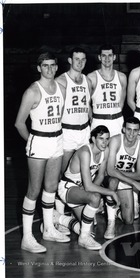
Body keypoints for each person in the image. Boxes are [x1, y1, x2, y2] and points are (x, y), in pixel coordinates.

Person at [15, 52, 70, 253]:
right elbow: (19, 123)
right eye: (45, 65)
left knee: (51, 188)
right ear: (39, 68)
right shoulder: (32, 91)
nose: (49, 69)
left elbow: (59, 117)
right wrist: (32, 141)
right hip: (38, 141)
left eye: (52, 65)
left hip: (57, 139)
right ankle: (27, 238)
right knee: (34, 190)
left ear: (57, 67)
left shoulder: (62, 89)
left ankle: (48, 229)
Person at [57, 125, 120, 250]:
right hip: (68, 188)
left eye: (107, 139)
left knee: (88, 229)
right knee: (95, 197)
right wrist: (111, 193)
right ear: (93, 138)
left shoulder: (105, 151)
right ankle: (83, 239)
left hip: (81, 190)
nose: (105, 142)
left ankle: (60, 219)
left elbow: (101, 175)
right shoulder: (85, 152)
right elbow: (88, 185)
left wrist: (89, 192)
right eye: (101, 139)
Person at [54, 47, 92, 228]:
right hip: (67, 132)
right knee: (63, 175)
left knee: (84, 172)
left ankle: (79, 204)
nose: (80, 62)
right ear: (69, 60)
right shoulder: (61, 81)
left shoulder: (87, 80)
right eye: (77, 59)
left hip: (84, 131)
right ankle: (60, 218)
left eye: (83, 59)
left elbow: (88, 106)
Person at [104, 117, 140, 239]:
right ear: (123, 129)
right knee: (113, 181)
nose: (131, 134)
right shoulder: (116, 141)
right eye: (128, 129)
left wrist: (120, 173)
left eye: (135, 130)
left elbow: (139, 174)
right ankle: (110, 222)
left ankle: (115, 210)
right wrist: (134, 182)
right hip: (106, 178)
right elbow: (110, 170)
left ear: (139, 131)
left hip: (123, 179)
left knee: (129, 220)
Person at [87, 44, 127, 137]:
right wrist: (92, 118)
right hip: (99, 120)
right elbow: (86, 103)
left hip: (117, 121)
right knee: (99, 150)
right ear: (99, 57)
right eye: (104, 56)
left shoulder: (122, 77)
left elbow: (121, 102)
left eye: (110, 55)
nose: (107, 58)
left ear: (114, 57)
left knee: (117, 150)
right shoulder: (91, 77)